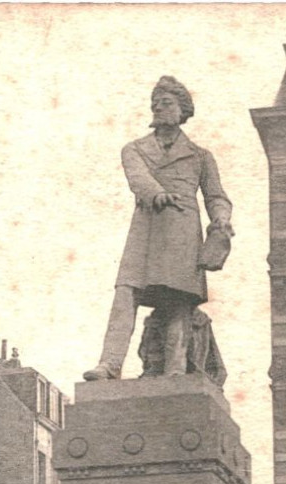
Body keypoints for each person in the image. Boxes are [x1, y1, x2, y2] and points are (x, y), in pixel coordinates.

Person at [83, 76, 232, 382]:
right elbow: (137, 177)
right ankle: (109, 364)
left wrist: (221, 219)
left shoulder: (201, 156)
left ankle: (175, 371)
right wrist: (156, 193)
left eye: (166, 103)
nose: (158, 108)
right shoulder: (134, 149)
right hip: (146, 229)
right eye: (155, 103)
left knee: (179, 301)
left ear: (182, 110)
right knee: (126, 293)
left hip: (182, 230)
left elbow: (216, 196)